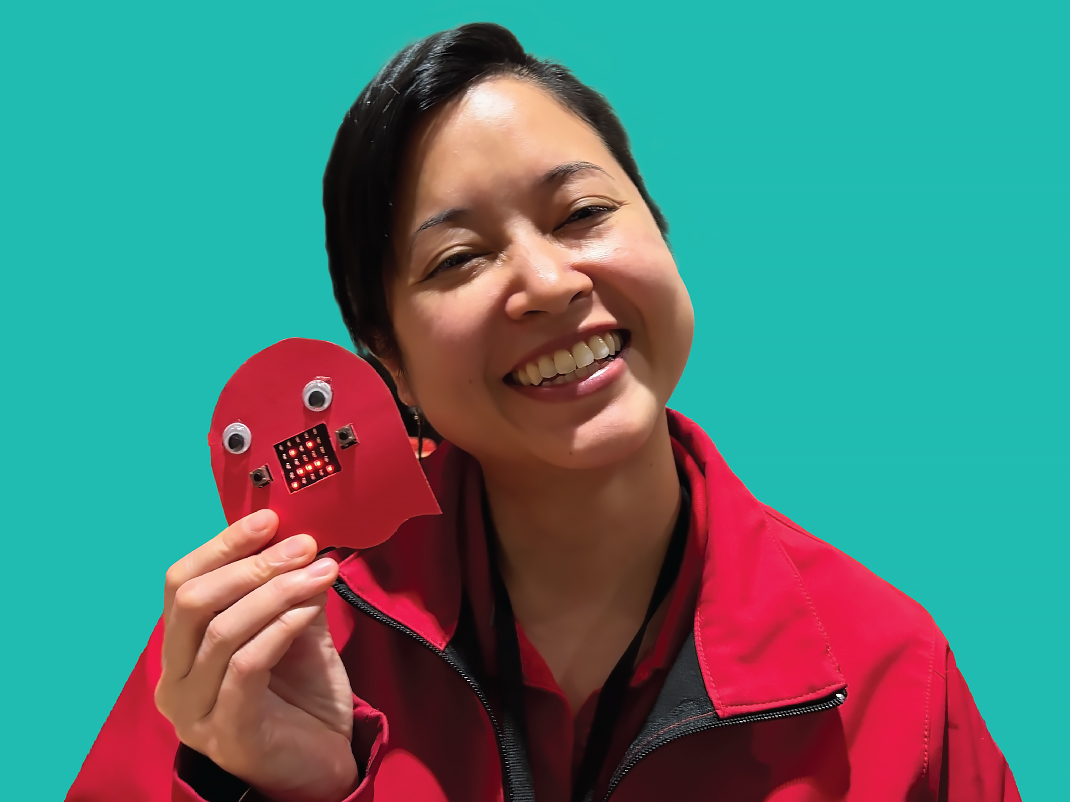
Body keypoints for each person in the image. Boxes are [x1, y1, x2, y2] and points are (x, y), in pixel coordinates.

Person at [67, 22, 1020, 802]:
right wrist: (279, 791)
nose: (548, 282)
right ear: (385, 365)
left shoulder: (891, 673)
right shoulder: (264, 645)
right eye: (459, 260)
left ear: (662, 230)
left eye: (581, 215)